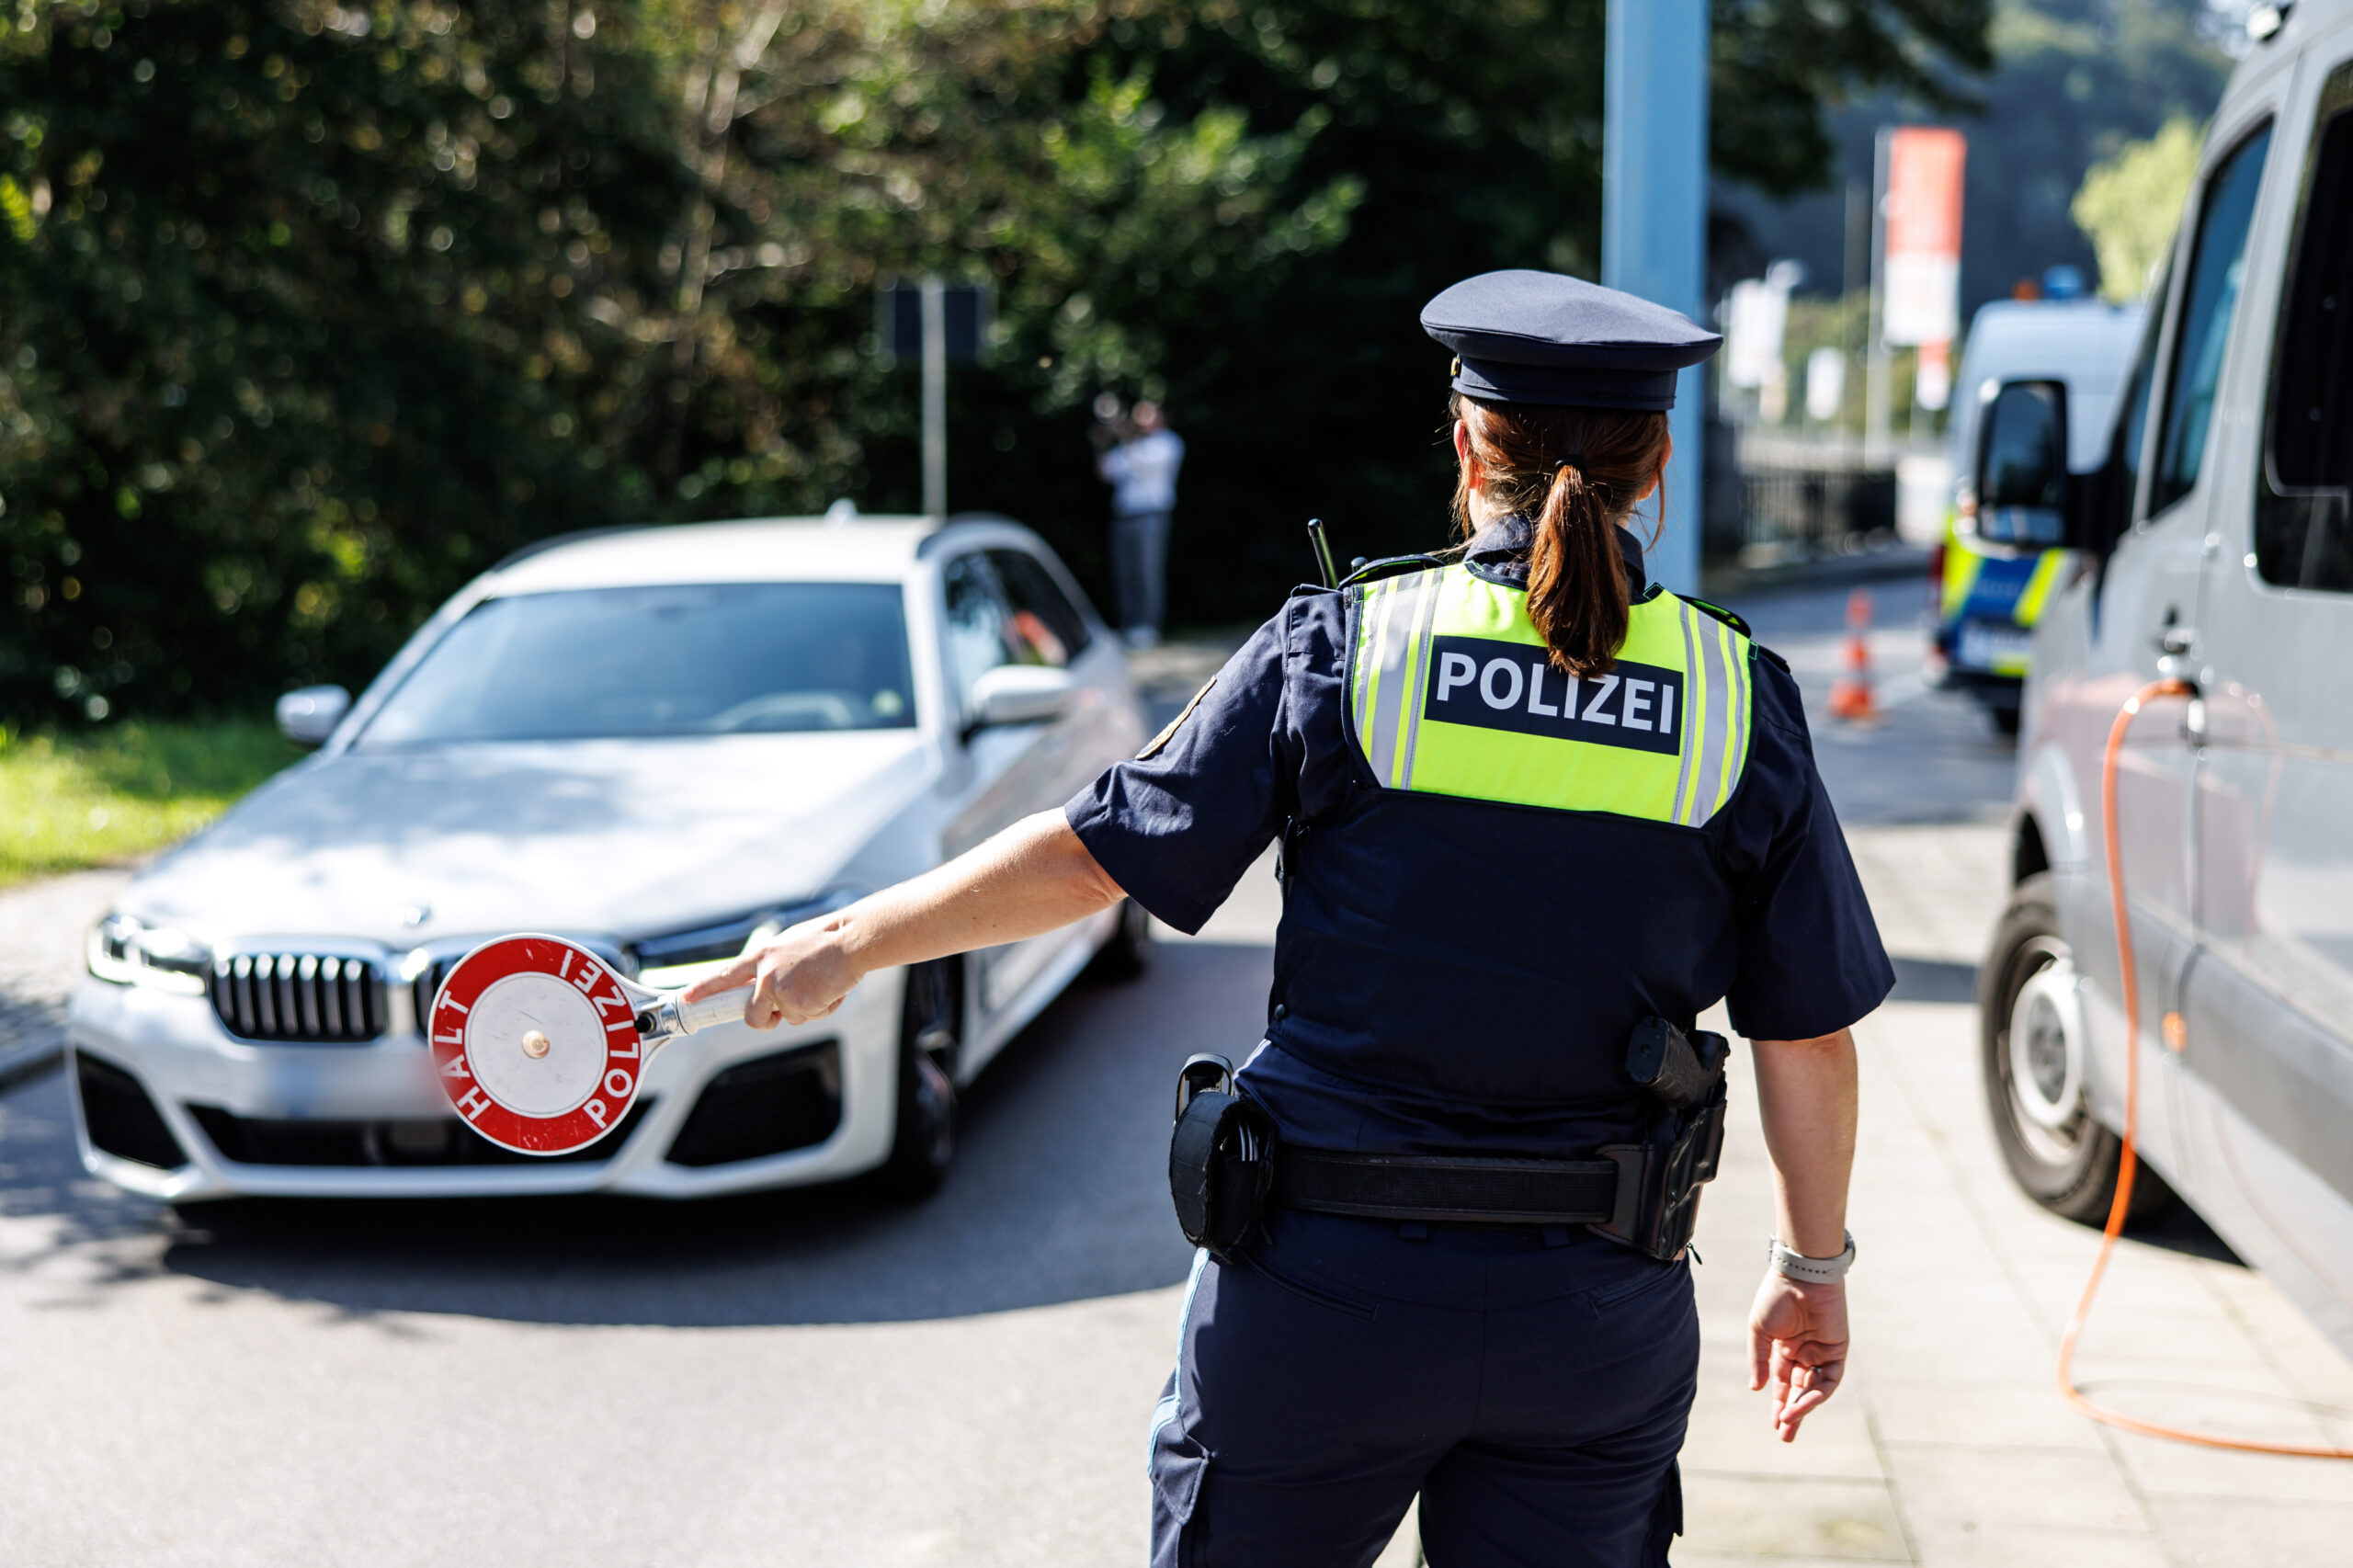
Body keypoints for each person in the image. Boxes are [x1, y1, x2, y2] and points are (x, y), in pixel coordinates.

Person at [690, 269, 1891, 1567]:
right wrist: (1813, 1271)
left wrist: (846, 943)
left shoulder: (1346, 647)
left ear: (1463, 441)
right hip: (1592, 1319)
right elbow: (1807, 1034)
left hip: (1323, 1301)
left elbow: (1099, 857)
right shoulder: (1735, 699)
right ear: (1655, 465)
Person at [1097, 398, 1186, 647]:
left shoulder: (1167, 443)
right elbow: (1105, 472)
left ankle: (1148, 628)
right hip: (1124, 517)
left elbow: (1142, 466)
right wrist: (1102, 443)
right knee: (1125, 573)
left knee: (1148, 571)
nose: (1141, 420)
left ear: (1160, 417)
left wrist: (1123, 437)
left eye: (1147, 415)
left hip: (1152, 516)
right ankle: (1128, 627)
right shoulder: (1128, 447)